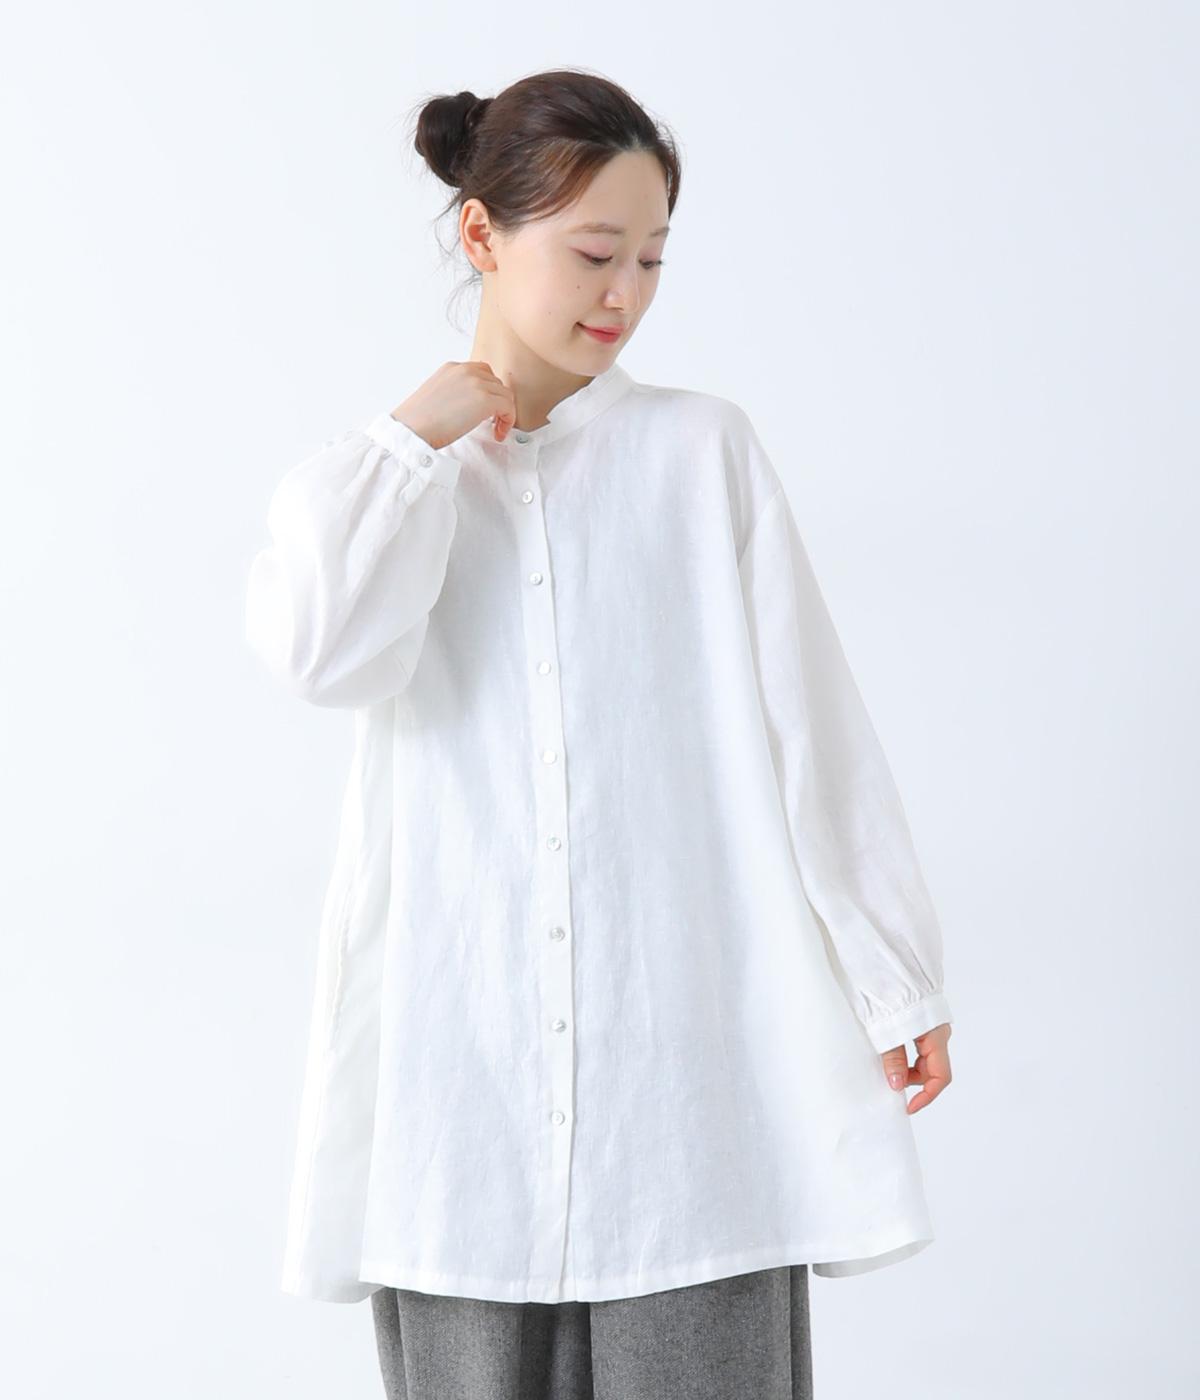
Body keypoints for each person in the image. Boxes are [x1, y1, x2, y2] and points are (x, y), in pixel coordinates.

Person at [245, 68, 954, 1400]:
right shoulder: (394, 491)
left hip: (691, 1109)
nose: (624, 294)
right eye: (592, 253)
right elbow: (319, 653)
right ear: (480, 234)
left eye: (652, 259)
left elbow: (813, 726)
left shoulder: (701, 455)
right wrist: (415, 435)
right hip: (459, 1113)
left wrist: (891, 974)